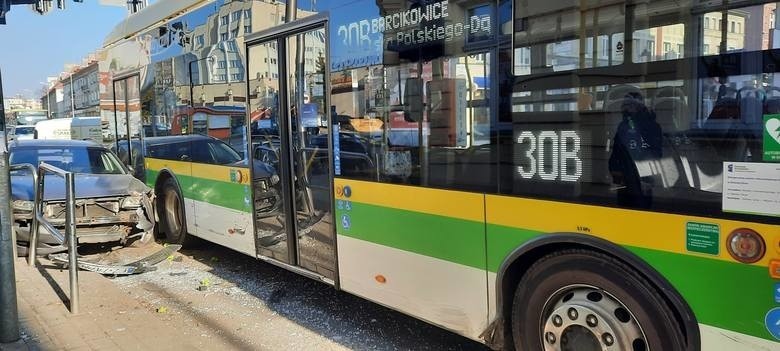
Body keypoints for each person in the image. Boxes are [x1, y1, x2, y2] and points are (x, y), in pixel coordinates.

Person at [608, 91, 662, 208]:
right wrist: (614, 169)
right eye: (624, 105)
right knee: (622, 209)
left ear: (639, 106)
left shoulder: (651, 126)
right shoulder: (623, 125)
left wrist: (647, 179)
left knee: (641, 209)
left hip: (642, 179)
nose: (625, 108)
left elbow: (654, 153)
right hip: (623, 178)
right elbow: (617, 151)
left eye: (630, 105)